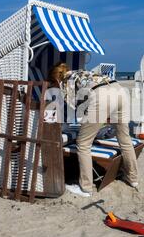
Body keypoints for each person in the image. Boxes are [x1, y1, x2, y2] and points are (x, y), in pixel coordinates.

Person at [48, 62, 139, 198]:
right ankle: (133, 179)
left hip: (101, 96)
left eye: (52, 84)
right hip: (120, 90)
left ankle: (85, 188)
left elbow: (75, 111)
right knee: (125, 140)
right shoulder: (81, 72)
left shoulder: (66, 82)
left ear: (55, 79)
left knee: (83, 143)